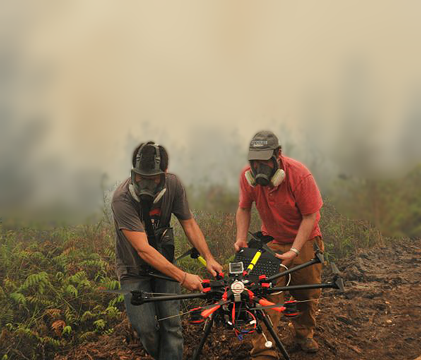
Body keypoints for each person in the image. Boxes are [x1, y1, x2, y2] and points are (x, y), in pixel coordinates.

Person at [111, 141, 222, 360]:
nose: (146, 184)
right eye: (141, 177)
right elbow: (143, 250)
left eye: (153, 179)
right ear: (133, 173)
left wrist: (208, 258)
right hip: (133, 271)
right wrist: (183, 277)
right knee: (146, 330)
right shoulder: (122, 199)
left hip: (165, 265)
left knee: (171, 325)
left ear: (165, 174)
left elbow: (188, 223)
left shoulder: (173, 186)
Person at [234, 130, 324, 359]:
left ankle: (304, 334)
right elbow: (244, 207)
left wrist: (294, 250)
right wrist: (241, 238)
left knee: (306, 292)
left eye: (263, 161)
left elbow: (310, 216)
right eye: (253, 161)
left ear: (278, 155)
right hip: (271, 243)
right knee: (265, 294)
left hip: (305, 241)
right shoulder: (248, 177)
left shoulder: (300, 175)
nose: (257, 167)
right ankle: (264, 348)